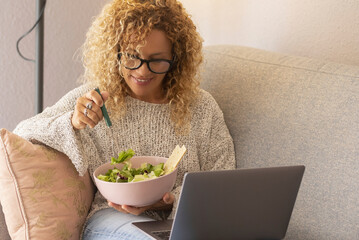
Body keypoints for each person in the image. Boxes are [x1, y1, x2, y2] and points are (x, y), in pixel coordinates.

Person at [14, 0, 235, 239]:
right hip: (110, 220)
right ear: (115, 52)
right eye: (131, 57)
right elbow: (23, 132)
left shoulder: (202, 108)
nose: (142, 71)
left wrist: (168, 201)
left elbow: (223, 179)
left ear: (176, 58)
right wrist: (72, 122)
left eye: (156, 59)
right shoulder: (95, 99)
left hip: (185, 223)